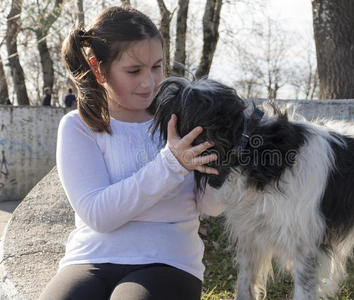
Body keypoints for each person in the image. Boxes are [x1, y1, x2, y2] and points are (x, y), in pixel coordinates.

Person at [39, 6, 224, 300]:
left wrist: (226, 158)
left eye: (157, 67)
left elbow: (212, 205)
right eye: (134, 71)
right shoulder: (78, 127)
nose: (149, 82)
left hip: (168, 261)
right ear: (99, 69)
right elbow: (99, 215)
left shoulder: (185, 120)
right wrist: (171, 165)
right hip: (89, 259)